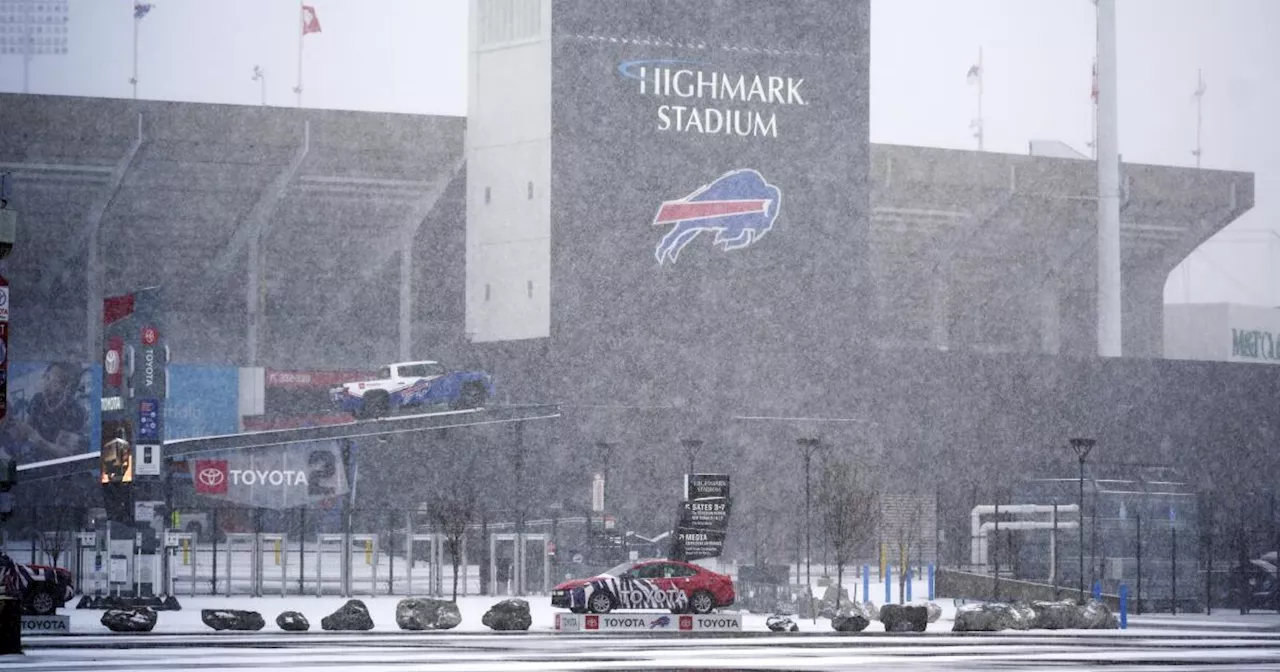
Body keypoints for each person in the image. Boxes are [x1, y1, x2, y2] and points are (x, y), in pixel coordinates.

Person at [5, 363, 89, 463]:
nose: (47, 384)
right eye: (47, 377)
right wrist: (17, 429)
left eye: (56, 382)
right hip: (30, 460)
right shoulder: (37, 399)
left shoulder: (75, 411)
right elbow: (27, 428)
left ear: (67, 388)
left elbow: (65, 453)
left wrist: (35, 438)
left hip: (53, 469)